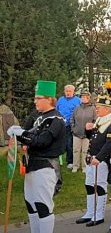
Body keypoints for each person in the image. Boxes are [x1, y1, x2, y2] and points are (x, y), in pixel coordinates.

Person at [7, 80, 66, 233]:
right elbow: (30, 137)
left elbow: (41, 141)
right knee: (31, 205)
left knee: (43, 206)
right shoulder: (39, 117)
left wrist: (22, 134)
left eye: (38, 98)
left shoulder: (55, 119)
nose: (35, 101)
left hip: (45, 167)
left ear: (49, 99)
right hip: (32, 165)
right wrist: (18, 134)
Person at [75, 95, 111, 227]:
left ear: (106, 109)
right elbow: (93, 137)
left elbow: (109, 143)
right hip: (91, 158)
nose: (96, 110)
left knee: (100, 186)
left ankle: (99, 215)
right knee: (89, 185)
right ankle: (90, 212)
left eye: (98, 108)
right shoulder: (100, 119)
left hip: (101, 160)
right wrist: (88, 130)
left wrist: (99, 158)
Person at [71, 90, 96, 173]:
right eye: (82, 97)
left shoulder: (93, 109)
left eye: (86, 97)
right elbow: (72, 119)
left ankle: (85, 166)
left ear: (89, 98)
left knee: (85, 151)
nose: (84, 99)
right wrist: (73, 128)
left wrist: (91, 129)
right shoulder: (77, 108)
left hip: (87, 134)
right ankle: (75, 166)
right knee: (76, 150)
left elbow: (95, 120)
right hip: (76, 133)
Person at [56, 84, 81, 169]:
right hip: (60, 124)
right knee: (58, 142)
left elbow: (79, 113)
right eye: (67, 91)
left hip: (71, 125)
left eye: (70, 91)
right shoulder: (60, 100)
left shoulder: (78, 101)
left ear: (73, 92)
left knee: (69, 143)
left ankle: (70, 161)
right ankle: (57, 159)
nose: (68, 93)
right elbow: (56, 110)